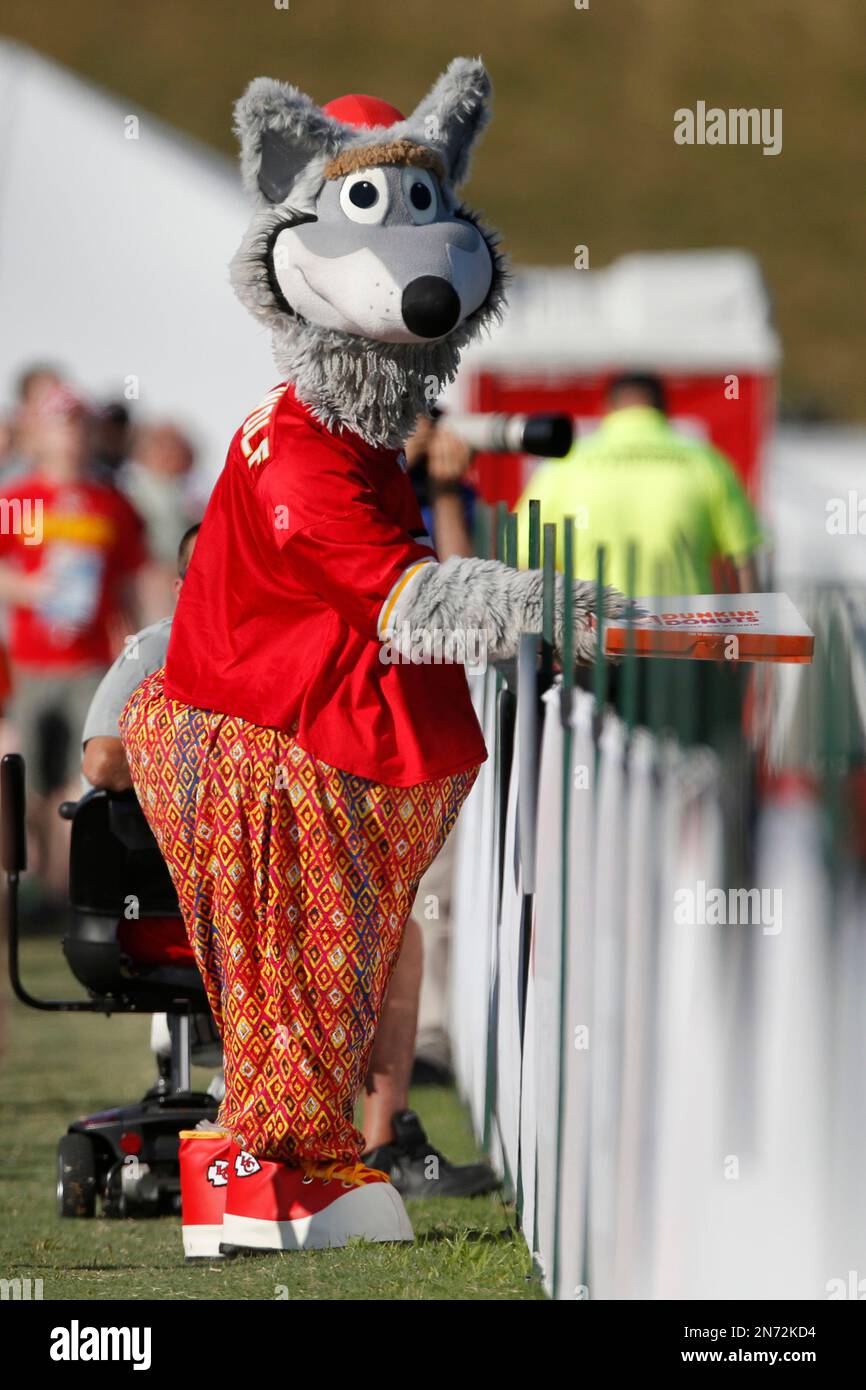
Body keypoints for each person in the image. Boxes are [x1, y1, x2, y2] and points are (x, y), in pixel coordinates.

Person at [119, 61, 617, 1257]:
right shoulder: (303, 455)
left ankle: (259, 1178)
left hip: (268, 729)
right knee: (303, 976)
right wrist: (554, 603)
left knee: (296, 982)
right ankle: (274, 1170)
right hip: (272, 745)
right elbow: (404, 597)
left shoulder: (329, 432)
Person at [83, 524, 496, 1195]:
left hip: (291, 872)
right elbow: (102, 762)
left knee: (396, 935)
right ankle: (282, 1147)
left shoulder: (293, 642)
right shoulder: (158, 646)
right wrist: (219, 774)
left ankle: (384, 1140)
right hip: (181, 882)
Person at [0, 382, 147, 896]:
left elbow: (132, 581)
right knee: (29, 780)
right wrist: (29, 587)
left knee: (79, 778)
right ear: (39, 431)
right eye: (61, 425)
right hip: (31, 661)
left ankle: (67, 891)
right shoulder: (19, 498)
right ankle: (35, 884)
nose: (71, 436)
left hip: (91, 663)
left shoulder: (112, 502)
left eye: (79, 425)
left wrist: (137, 648)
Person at [517, 372, 762, 595]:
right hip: (685, 633)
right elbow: (744, 560)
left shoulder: (564, 465)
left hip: (592, 632)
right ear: (663, 410)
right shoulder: (707, 462)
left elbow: (524, 559)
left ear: (607, 409)